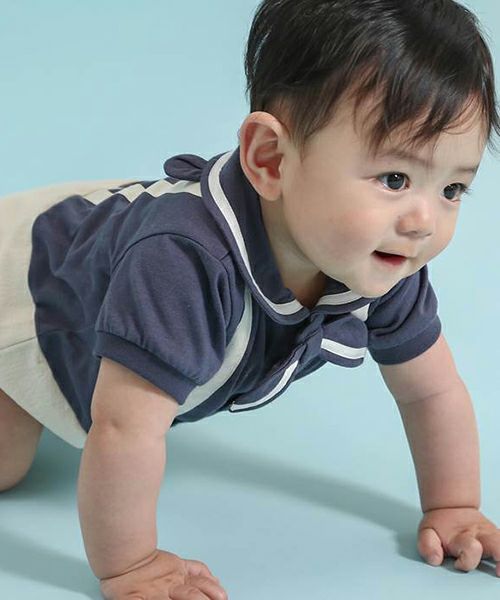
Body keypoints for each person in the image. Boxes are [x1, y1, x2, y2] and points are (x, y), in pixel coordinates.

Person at [1, 0, 499, 597]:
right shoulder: (183, 262)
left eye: (452, 189)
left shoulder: (378, 258)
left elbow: (430, 390)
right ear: (270, 159)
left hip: (92, 267)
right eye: (394, 179)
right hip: (28, 302)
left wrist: (454, 506)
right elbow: (123, 428)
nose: (423, 222)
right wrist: (131, 565)